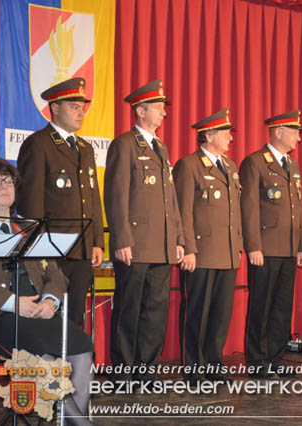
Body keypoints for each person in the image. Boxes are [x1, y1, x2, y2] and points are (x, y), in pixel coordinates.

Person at [0, 157, 95, 426]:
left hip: (40, 314)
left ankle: (73, 421)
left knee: (82, 347)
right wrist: (13, 303)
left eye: (9, 180)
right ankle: (81, 423)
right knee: (43, 356)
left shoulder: (28, 228)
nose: (5, 186)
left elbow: (55, 275)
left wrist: (50, 301)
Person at [104, 80, 184, 382]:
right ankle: (123, 374)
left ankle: (146, 372)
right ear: (140, 111)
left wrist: (177, 239)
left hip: (162, 245)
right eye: (158, 108)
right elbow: (116, 194)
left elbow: (170, 200)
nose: (163, 114)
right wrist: (121, 238)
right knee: (128, 311)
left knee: (154, 313)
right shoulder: (125, 144)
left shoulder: (160, 147)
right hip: (135, 244)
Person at [16, 77, 104, 328]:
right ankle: (52, 367)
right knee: (51, 318)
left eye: (82, 107)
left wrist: (97, 241)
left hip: (83, 248)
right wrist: (38, 248)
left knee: (75, 317)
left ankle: (73, 366)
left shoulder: (85, 148)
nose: (81, 112)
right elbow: (30, 203)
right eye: (74, 106)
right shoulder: (39, 144)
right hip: (53, 248)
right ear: (54, 108)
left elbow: (92, 198)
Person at [173, 108, 242, 381]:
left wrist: (237, 244)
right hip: (200, 253)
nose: (229, 138)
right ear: (209, 135)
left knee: (220, 315)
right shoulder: (189, 165)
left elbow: (234, 211)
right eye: (225, 133)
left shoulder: (230, 167)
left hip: (226, 253)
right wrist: (188, 248)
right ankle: (193, 369)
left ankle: (213, 365)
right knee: (197, 314)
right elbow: (183, 211)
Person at [240, 110, 302, 378]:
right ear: (278, 131)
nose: (298, 138)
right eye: (294, 132)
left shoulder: (292, 166)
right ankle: (257, 362)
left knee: (281, 307)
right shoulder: (255, 162)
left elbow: (298, 209)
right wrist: (253, 245)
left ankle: (276, 359)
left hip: (289, 248)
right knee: (261, 306)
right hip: (265, 249)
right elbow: (249, 209)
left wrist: (301, 245)